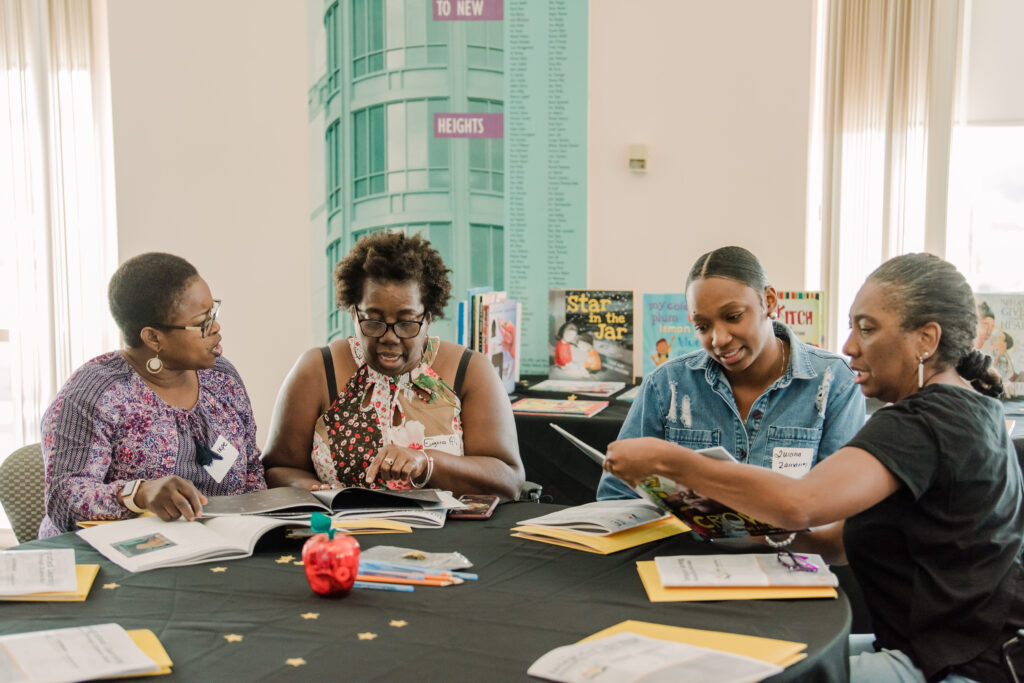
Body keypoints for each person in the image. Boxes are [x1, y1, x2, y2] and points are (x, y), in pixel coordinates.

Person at [604, 253, 1024, 682]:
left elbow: (799, 502)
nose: (849, 346)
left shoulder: (923, 423)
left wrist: (668, 461)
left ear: (926, 340)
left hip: (955, 666)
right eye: (852, 326)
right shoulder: (973, 409)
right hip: (947, 646)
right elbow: (837, 542)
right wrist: (733, 531)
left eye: (867, 328)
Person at [261, 231, 524, 499]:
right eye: (373, 321)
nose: (389, 337)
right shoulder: (317, 370)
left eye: (407, 322)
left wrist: (427, 463)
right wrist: (320, 493)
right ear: (354, 314)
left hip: (447, 538)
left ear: (428, 317)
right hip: (345, 534)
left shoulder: (469, 371)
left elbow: (509, 479)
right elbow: (277, 469)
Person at [597, 246, 865, 500]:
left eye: (733, 316)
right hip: (680, 547)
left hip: (788, 548)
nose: (719, 339)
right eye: (702, 326)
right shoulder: (666, 385)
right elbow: (617, 493)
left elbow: (840, 504)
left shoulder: (835, 382)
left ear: (769, 301)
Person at [39, 253, 266, 538]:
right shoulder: (94, 395)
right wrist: (140, 493)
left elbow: (251, 469)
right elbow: (63, 500)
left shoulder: (222, 378)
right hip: (114, 558)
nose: (216, 328)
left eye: (214, 313)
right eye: (202, 322)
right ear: (153, 338)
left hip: (215, 547)